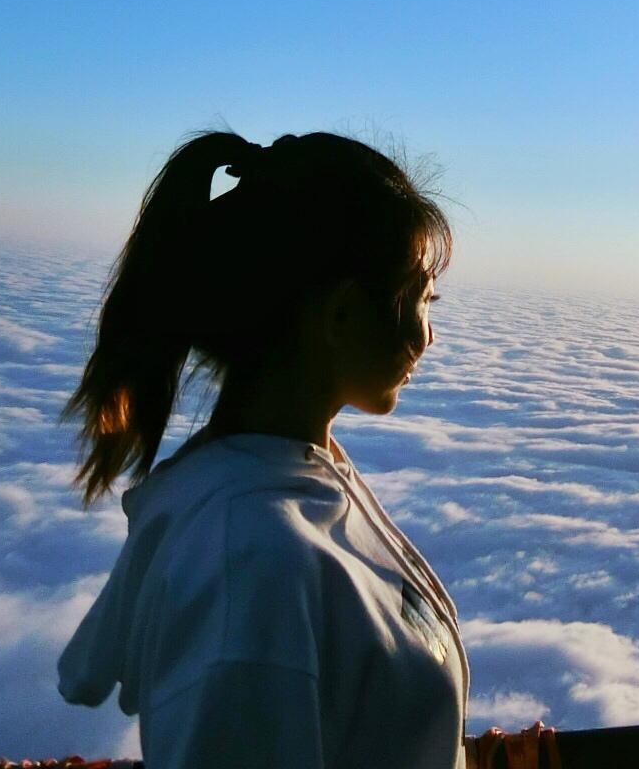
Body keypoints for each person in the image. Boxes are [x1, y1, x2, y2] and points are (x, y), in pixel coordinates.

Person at [55, 129, 468, 769]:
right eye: (420, 298)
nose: (429, 333)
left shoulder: (290, 475)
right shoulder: (251, 563)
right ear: (340, 316)